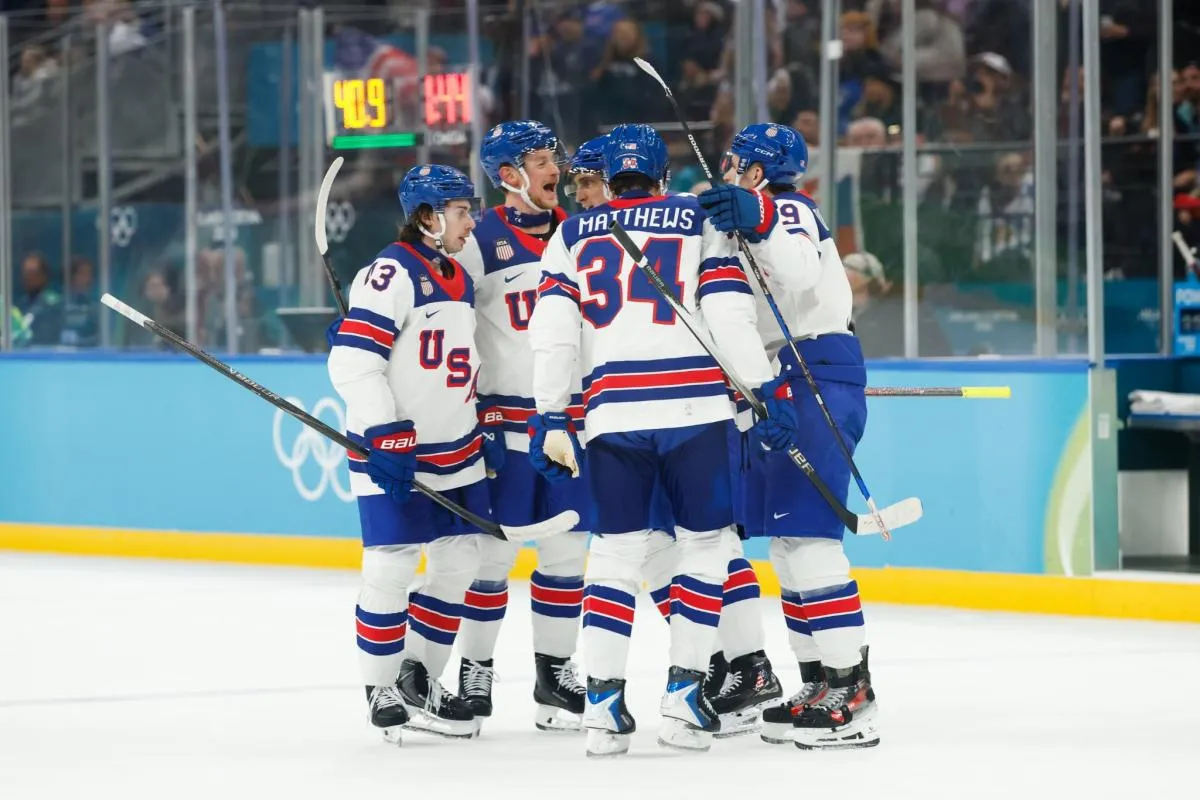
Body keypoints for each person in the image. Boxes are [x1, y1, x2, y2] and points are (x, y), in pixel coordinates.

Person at [527, 123, 802, 757]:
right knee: (705, 548)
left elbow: (554, 335)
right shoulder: (695, 219)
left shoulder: (569, 233)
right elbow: (729, 315)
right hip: (695, 411)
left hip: (611, 417)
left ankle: (600, 708)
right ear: (661, 172)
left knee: (615, 553)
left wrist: (550, 416)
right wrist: (761, 392)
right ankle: (682, 700)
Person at [702, 123, 879, 750]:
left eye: (734, 164)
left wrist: (760, 217)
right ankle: (817, 681)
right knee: (786, 544)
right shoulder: (742, 223)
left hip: (814, 368)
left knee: (810, 538)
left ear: (757, 171)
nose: (724, 171)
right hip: (784, 378)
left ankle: (852, 693)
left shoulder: (790, 207)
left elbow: (801, 275)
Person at [327, 164, 495, 743]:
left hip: (457, 446)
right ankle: (379, 687)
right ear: (428, 217)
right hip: (394, 450)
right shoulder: (389, 272)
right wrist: (385, 431)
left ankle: (418, 678)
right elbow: (351, 363)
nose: (470, 221)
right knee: (392, 564)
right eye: (460, 211)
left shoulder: (457, 274)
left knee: (460, 561)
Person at [453, 120, 591, 733]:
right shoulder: (479, 239)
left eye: (552, 158)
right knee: (490, 556)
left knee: (567, 553)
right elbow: (433, 304)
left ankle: (554, 676)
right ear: (508, 176)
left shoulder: (584, 234)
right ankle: (473, 672)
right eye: (539, 160)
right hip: (505, 426)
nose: (553, 169)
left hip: (567, 423)